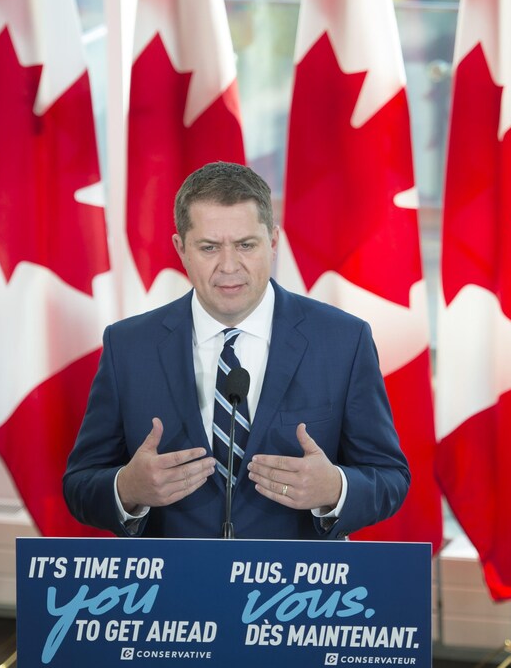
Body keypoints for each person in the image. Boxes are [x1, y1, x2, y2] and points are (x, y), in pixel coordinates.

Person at [64, 161, 409, 539]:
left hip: (297, 593)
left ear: (273, 242)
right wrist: (126, 490)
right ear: (181, 248)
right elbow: (80, 485)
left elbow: (390, 477)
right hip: (174, 588)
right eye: (209, 247)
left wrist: (336, 490)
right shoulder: (128, 346)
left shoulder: (344, 341)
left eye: (246, 245)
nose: (229, 266)